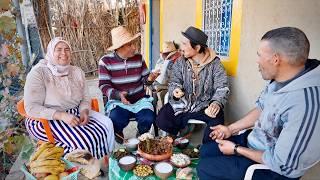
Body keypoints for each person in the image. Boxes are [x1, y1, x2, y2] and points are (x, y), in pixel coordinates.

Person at [197, 27, 320, 180]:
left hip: (275, 170)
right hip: (256, 142)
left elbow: (284, 165)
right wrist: (230, 129)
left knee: (204, 169)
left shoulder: (306, 104)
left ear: (276, 59)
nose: (257, 61)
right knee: (205, 151)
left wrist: (236, 149)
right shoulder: (281, 78)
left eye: (259, 55)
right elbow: (263, 107)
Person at [24, 37, 115, 159]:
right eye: (59, 50)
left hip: (74, 112)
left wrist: (84, 110)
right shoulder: (38, 73)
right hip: (45, 119)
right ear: (51, 52)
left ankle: (105, 159)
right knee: (84, 141)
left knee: (107, 125)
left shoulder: (77, 71)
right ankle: (85, 168)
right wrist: (61, 116)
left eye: (67, 49)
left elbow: (85, 97)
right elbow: (31, 107)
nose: (64, 53)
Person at [156, 26, 229, 141]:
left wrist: (216, 103)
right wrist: (175, 90)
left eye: (185, 44)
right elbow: (174, 81)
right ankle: (176, 138)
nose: (181, 48)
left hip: (204, 106)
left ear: (197, 47)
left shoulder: (215, 64)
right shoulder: (180, 62)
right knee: (162, 118)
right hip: (183, 103)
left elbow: (222, 87)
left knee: (217, 123)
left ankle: (206, 150)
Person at [98, 26, 158, 144]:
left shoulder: (138, 58)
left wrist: (150, 78)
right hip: (119, 102)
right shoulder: (105, 61)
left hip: (140, 101)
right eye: (130, 45)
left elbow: (146, 80)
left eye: (133, 43)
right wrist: (118, 95)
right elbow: (103, 85)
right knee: (116, 119)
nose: (134, 47)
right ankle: (119, 133)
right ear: (120, 47)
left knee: (148, 118)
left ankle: (141, 135)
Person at [149, 41, 181, 111]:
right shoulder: (162, 60)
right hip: (164, 82)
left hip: (170, 84)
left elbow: (163, 80)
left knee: (153, 88)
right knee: (150, 87)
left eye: (167, 54)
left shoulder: (176, 60)